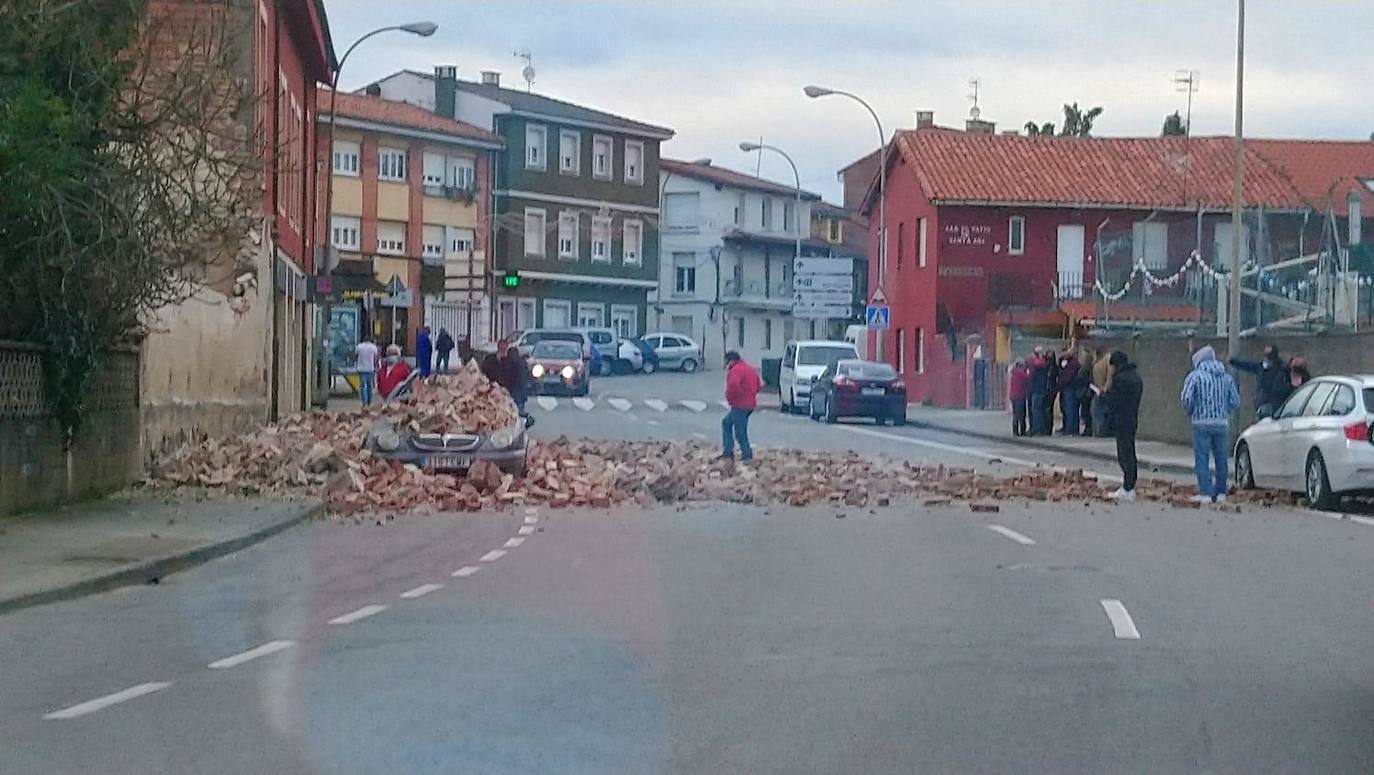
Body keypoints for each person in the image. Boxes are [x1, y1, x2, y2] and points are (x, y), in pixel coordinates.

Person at [1181, 345, 1241, 503]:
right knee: (1221, 459)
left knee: (1202, 458)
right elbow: (1235, 401)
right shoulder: (1226, 378)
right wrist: (1224, 411)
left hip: (1201, 422)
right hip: (1221, 423)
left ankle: (1206, 492)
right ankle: (1221, 492)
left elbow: (1186, 398)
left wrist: (1192, 411)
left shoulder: (1195, 376)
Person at [1104, 350, 1143, 500]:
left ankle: (1128, 487)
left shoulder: (1119, 379)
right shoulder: (1136, 377)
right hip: (1132, 418)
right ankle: (1130, 484)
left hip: (1121, 419)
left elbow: (1114, 401)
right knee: (1130, 450)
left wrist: (1106, 394)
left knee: (1124, 453)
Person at [1229, 344, 1290, 420]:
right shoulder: (1261, 367)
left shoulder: (1282, 369)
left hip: (1276, 405)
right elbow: (1248, 365)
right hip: (1263, 404)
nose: (1265, 358)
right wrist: (1233, 362)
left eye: (1267, 356)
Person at [721, 350, 762, 461]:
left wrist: (730, 398)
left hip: (740, 405)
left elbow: (733, 386)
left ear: (731, 360)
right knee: (727, 423)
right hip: (750, 404)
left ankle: (745, 455)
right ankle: (729, 451)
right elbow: (758, 385)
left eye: (726, 362)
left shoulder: (735, 371)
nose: (726, 365)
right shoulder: (749, 368)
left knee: (740, 432)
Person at [498, 340, 531, 417]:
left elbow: (502, 377)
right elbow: (525, 378)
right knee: (518, 411)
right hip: (519, 393)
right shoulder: (522, 363)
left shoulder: (505, 363)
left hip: (509, 392)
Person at [1056, 349, 1083, 435]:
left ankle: (1071, 429)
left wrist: (1060, 384)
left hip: (1070, 388)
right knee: (1066, 409)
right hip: (1066, 388)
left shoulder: (1073, 364)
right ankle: (1068, 427)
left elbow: (1067, 377)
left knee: (1070, 409)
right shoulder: (1066, 362)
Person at [1090, 349, 1115, 437]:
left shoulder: (1107, 359)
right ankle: (1098, 430)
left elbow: (1110, 375)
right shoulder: (1097, 360)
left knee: (1100, 411)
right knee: (1096, 411)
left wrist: (1106, 388)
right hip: (1097, 389)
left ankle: (1101, 431)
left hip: (1103, 391)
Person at [1028, 348, 1050, 435]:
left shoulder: (1039, 363)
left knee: (1036, 410)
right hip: (1040, 389)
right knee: (1039, 410)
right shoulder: (1043, 363)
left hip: (1038, 389)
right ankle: (1040, 428)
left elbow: (1034, 365)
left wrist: (1032, 359)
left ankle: (1037, 429)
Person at [354, 335, 380, 406]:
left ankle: (364, 402)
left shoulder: (359, 346)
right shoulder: (373, 347)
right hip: (370, 368)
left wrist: (357, 362)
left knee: (363, 386)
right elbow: (376, 358)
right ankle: (369, 401)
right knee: (370, 386)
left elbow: (355, 356)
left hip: (361, 368)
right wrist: (375, 366)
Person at [1008, 359, 1031, 437]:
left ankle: (1015, 431)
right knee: (1021, 414)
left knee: (1016, 414)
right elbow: (1028, 378)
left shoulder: (1013, 373)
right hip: (1020, 396)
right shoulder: (1021, 373)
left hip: (1013, 395)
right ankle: (1021, 431)